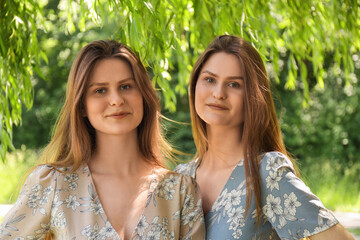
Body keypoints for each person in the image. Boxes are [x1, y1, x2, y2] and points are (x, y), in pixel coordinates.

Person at [0, 40, 205, 240]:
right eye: (100, 90)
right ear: (81, 106)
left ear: (143, 95)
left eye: (126, 86)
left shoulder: (181, 191)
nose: (116, 99)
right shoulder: (52, 183)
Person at [174, 35, 354, 239]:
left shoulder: (265, 172)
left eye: (234, 84)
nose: (218, 93)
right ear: (195, 84)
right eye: (210, 79)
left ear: (253, 97)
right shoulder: (179, 179)